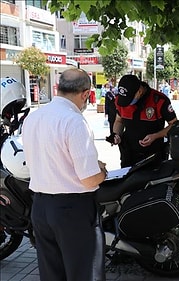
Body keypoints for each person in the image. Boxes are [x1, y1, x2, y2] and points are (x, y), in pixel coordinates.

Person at [22, 68, 108, 281]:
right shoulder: (74, 121)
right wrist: (102, 172)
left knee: (52, 274)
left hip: (41, 207)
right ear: (86, 94)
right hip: (73, 210)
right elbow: (89, 179)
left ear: (58, 88)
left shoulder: (34, 117)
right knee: (84, 273)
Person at [110, 74, 178, 167]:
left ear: (140, 91)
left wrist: (155, 136)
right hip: (128, 155)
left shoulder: (159, 100)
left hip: (154, 156)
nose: (128, 103)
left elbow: (174, 125)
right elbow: (119, 121)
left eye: (130, 99)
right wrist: (116, 134)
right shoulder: (121, 100)